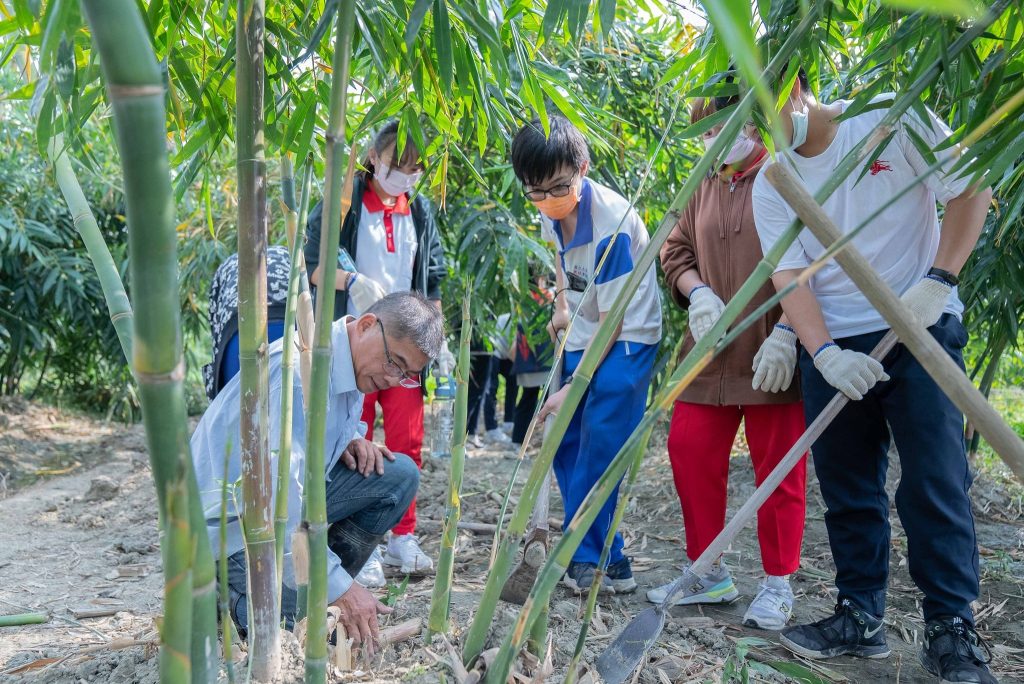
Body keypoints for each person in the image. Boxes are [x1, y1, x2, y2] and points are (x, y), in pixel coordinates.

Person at [751, 69, 996, 683]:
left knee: (934, 479)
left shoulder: (888, 115)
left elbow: (971, 189)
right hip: (834, 340)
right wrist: (825, 352)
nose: (755, 129)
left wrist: (937, 285)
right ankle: (859, 615)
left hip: (920, 325)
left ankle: (951, 627)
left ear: (795, 86)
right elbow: (790, 277)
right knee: (848, 487)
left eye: (760, 107)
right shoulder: (771, 178)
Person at [190, 292, 444, 653]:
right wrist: (342, 587)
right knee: (305, 638)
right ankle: (230, 594)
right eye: (394, 362)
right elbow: (282, 505)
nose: (392, 378)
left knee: (397, 475)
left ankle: (312, 588)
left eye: (405, 375)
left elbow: (311, 445)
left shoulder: (351, 364)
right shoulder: (299, 374)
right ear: (368, 325)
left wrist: (350, 438)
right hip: (233, 534)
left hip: (278, 520)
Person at [654, 96, 807, 630]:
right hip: (710, 351)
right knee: (689, 448)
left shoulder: (786, 174)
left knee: (778, 466)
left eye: (721, 128)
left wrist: (790, 331)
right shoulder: (706, 180)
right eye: (702, 133)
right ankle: (706, 569)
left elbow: (816, 257)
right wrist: (696, 293)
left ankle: (778, 582)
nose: (711, 141)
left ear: (752, 122)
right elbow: (674, 250)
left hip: (771, 348)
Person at [513, 115, 663, 594]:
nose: (548, 200)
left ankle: (582, 558)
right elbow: (558, 255)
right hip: (582, 330)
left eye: (558, 187)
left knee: (599, 446)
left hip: (625, 339)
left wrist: (572, 391)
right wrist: (560, 304)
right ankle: (612, 560)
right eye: (535, 191)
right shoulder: (548, 205)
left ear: (583, 166)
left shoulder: (612, 227)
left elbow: (616, 319)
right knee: (567, 444)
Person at [304, 121, 451, 584]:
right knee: (354, 440)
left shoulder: (420, 211)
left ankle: (402, 537)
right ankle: (359, 545)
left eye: (413, 169)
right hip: (359, 346)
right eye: (396, 165)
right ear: (374, 156)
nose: (403, 176)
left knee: (406, 441)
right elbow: (312, 264)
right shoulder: (346, 201)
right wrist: (353, 282)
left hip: (408, 346)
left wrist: (437, 339)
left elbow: (434, 275)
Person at [202, 245, 292, 400]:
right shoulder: (289, 257)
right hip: (289, 326)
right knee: (294, 413)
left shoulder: (228, 266)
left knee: (240, 413)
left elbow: (215, 328)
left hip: (238, 332)